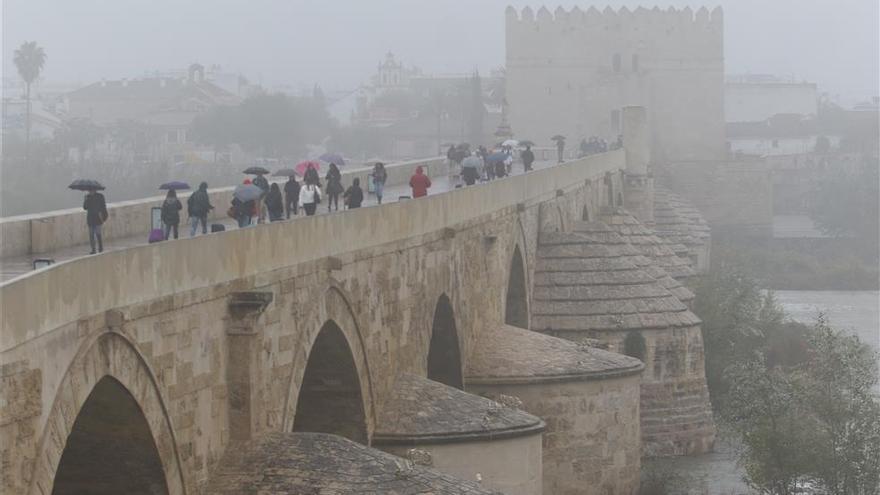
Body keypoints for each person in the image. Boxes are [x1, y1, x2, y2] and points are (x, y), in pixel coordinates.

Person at [83, 188, 108, 254]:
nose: (89, 191)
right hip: (90, 219)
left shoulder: (100, 196)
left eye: (91, 190)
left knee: (98, 234)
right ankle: (93, 249)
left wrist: (104, 216)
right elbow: (85, 207)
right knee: (91, 235)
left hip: (98, 218)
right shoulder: (88, 197)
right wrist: (85, 200)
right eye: (89, 190)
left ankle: (100, 248)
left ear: (94, 190)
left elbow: (103, 207)